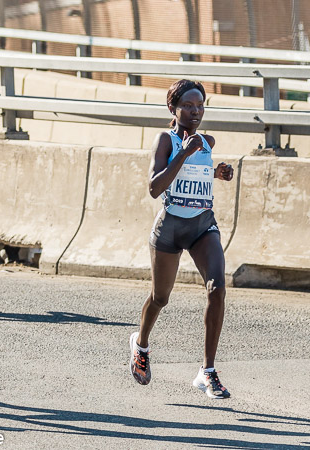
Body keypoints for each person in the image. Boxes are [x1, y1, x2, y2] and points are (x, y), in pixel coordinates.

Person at [129, 79, 234, 399]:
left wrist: (218, 172)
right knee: (160, 298)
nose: (195, 111)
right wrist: (184, 153)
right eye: (188, 106)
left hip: (203, 226)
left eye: (200, 106)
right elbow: (154, 187)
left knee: (217, 289)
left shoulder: (207, 141)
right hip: (170, 230)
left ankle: (208, 371)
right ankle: (141, 344)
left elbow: (198, 170)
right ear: (172, 109)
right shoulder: (166, 140)